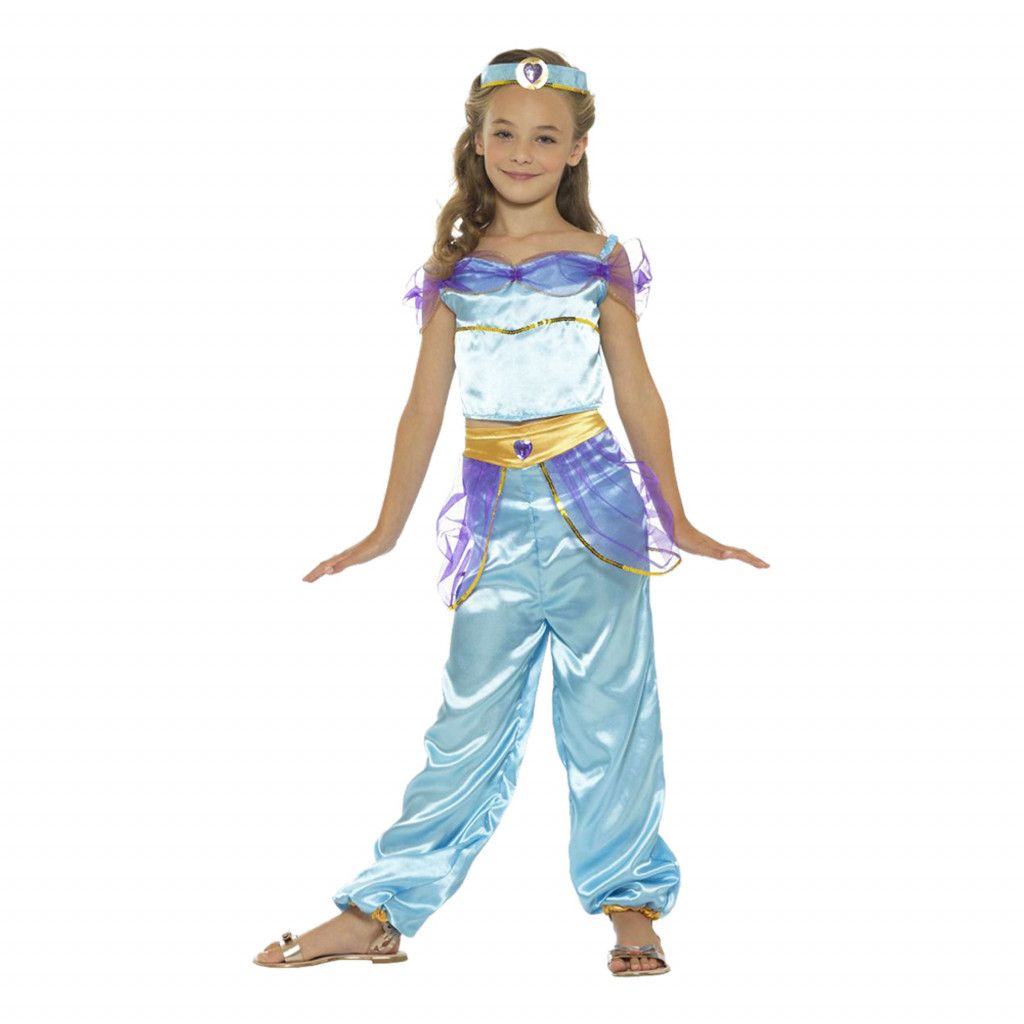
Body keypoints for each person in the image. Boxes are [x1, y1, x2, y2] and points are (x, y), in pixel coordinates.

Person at [253, 48, 769, 978]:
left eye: (544, 137)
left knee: (612, 713)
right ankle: (382, 908)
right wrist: (383, 531)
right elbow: (424, 406)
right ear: (478, 139)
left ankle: (631, 903)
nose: (522, 152)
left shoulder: (599, 260)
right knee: (466, 721)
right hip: (495, 511)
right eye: (504, 133)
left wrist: (680, 518)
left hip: (595, 508)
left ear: (576, 149)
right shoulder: (454, 269)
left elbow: (638, 391)